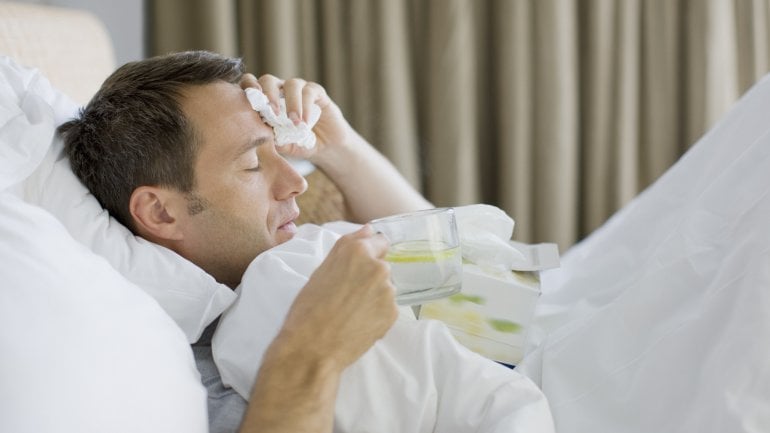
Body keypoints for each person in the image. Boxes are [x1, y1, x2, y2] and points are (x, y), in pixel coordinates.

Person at [58, 50, 553, 432]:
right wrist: (316, 347)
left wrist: (338, 148)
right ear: (161, 212)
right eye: (253, 164)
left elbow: (452, 253)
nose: (298, 183)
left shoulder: (291, 254)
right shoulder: (174, 370)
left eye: (280, 154)